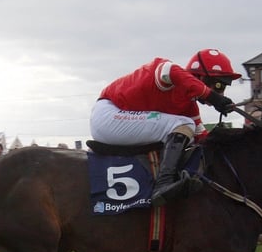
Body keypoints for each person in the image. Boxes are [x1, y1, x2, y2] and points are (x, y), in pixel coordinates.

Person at [90, 49, 239, 206]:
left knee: (186, 127)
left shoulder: (188, 106)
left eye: (223, 87)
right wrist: (211, 96)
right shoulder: (167, 74)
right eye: (218, 85)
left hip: (116, 122)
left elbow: (201, 137)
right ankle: (164, 184)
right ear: (200, 77)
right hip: (108, 116)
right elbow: (172, 70)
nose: (221, 93)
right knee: (183, 124)